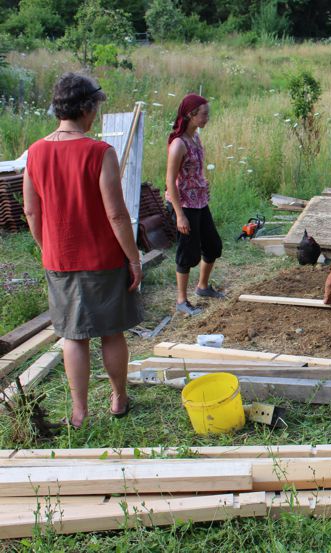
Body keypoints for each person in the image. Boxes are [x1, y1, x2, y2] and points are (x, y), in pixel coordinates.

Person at [22, 72, 143, 428]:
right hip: (103, 259)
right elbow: (117, 213)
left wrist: (48, 246)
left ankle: (79, 411)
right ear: (87, 108)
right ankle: (118, 398)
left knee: (73, 337)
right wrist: (134, 258)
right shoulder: (100, 152)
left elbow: (31, 210)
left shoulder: (36, 152)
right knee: (111, 332)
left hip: (60, 258)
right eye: (95, 110)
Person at [165, 93, 224, 316]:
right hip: (184, 205)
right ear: (191, 115)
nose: (207, 118)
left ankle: (203, 287)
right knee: (187, 253)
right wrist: (179, 215)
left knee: (213, 246)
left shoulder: (195, 138)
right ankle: (182, 300)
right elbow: (170, 181)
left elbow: (193, 170)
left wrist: (202, 181)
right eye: (204, 114)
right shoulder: (178, 144)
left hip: (199, 201)